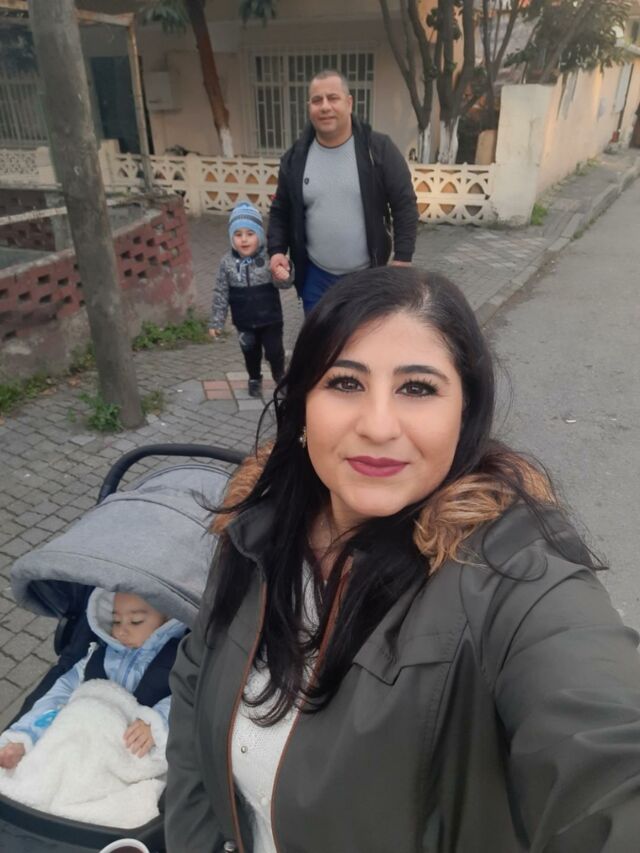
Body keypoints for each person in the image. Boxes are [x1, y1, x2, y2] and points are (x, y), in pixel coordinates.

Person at [165, 267, 640, 853]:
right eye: (345, 382)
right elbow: (194, 681)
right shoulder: (254, 531)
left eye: (417, 388)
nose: (378, 426)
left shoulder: (513, 573)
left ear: (465, 413)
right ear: (303, 404)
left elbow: (606, 751)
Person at [267, 69, 418, 313]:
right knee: (320, 337)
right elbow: (280, 210)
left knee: (362, 337)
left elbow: (405, 204)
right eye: (317, 100)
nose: (325, 106)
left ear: (349, 103)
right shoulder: (295, 159)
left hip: (367, 277)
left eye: (333, 98)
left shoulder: (378, 150)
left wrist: (402, 258)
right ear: (309, 108)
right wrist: (276, 251)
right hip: (315, 279)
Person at [0, 589, 186, 769]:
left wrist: (157, 722)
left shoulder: (180, 659)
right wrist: (25, 736)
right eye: (116, 621)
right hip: (80, 741)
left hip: (131, 752)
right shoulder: (97, 657)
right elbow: (58, 696)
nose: (121, 631)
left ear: (167, 619)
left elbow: (190, 698)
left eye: (135, 621)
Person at [210, 202, 289, 398]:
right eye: (238, 234)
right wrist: (217, 321)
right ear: (232, 238)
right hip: (244, 321)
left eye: (250, 234)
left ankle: (280, 376)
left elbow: (284, 284)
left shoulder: (270, 258)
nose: (244, 239)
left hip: (271, 319)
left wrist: (284, 275)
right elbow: (221, 292)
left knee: (274, 351)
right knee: (250, 352)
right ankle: (254, 378)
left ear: (259, 236)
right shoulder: (227, 263)